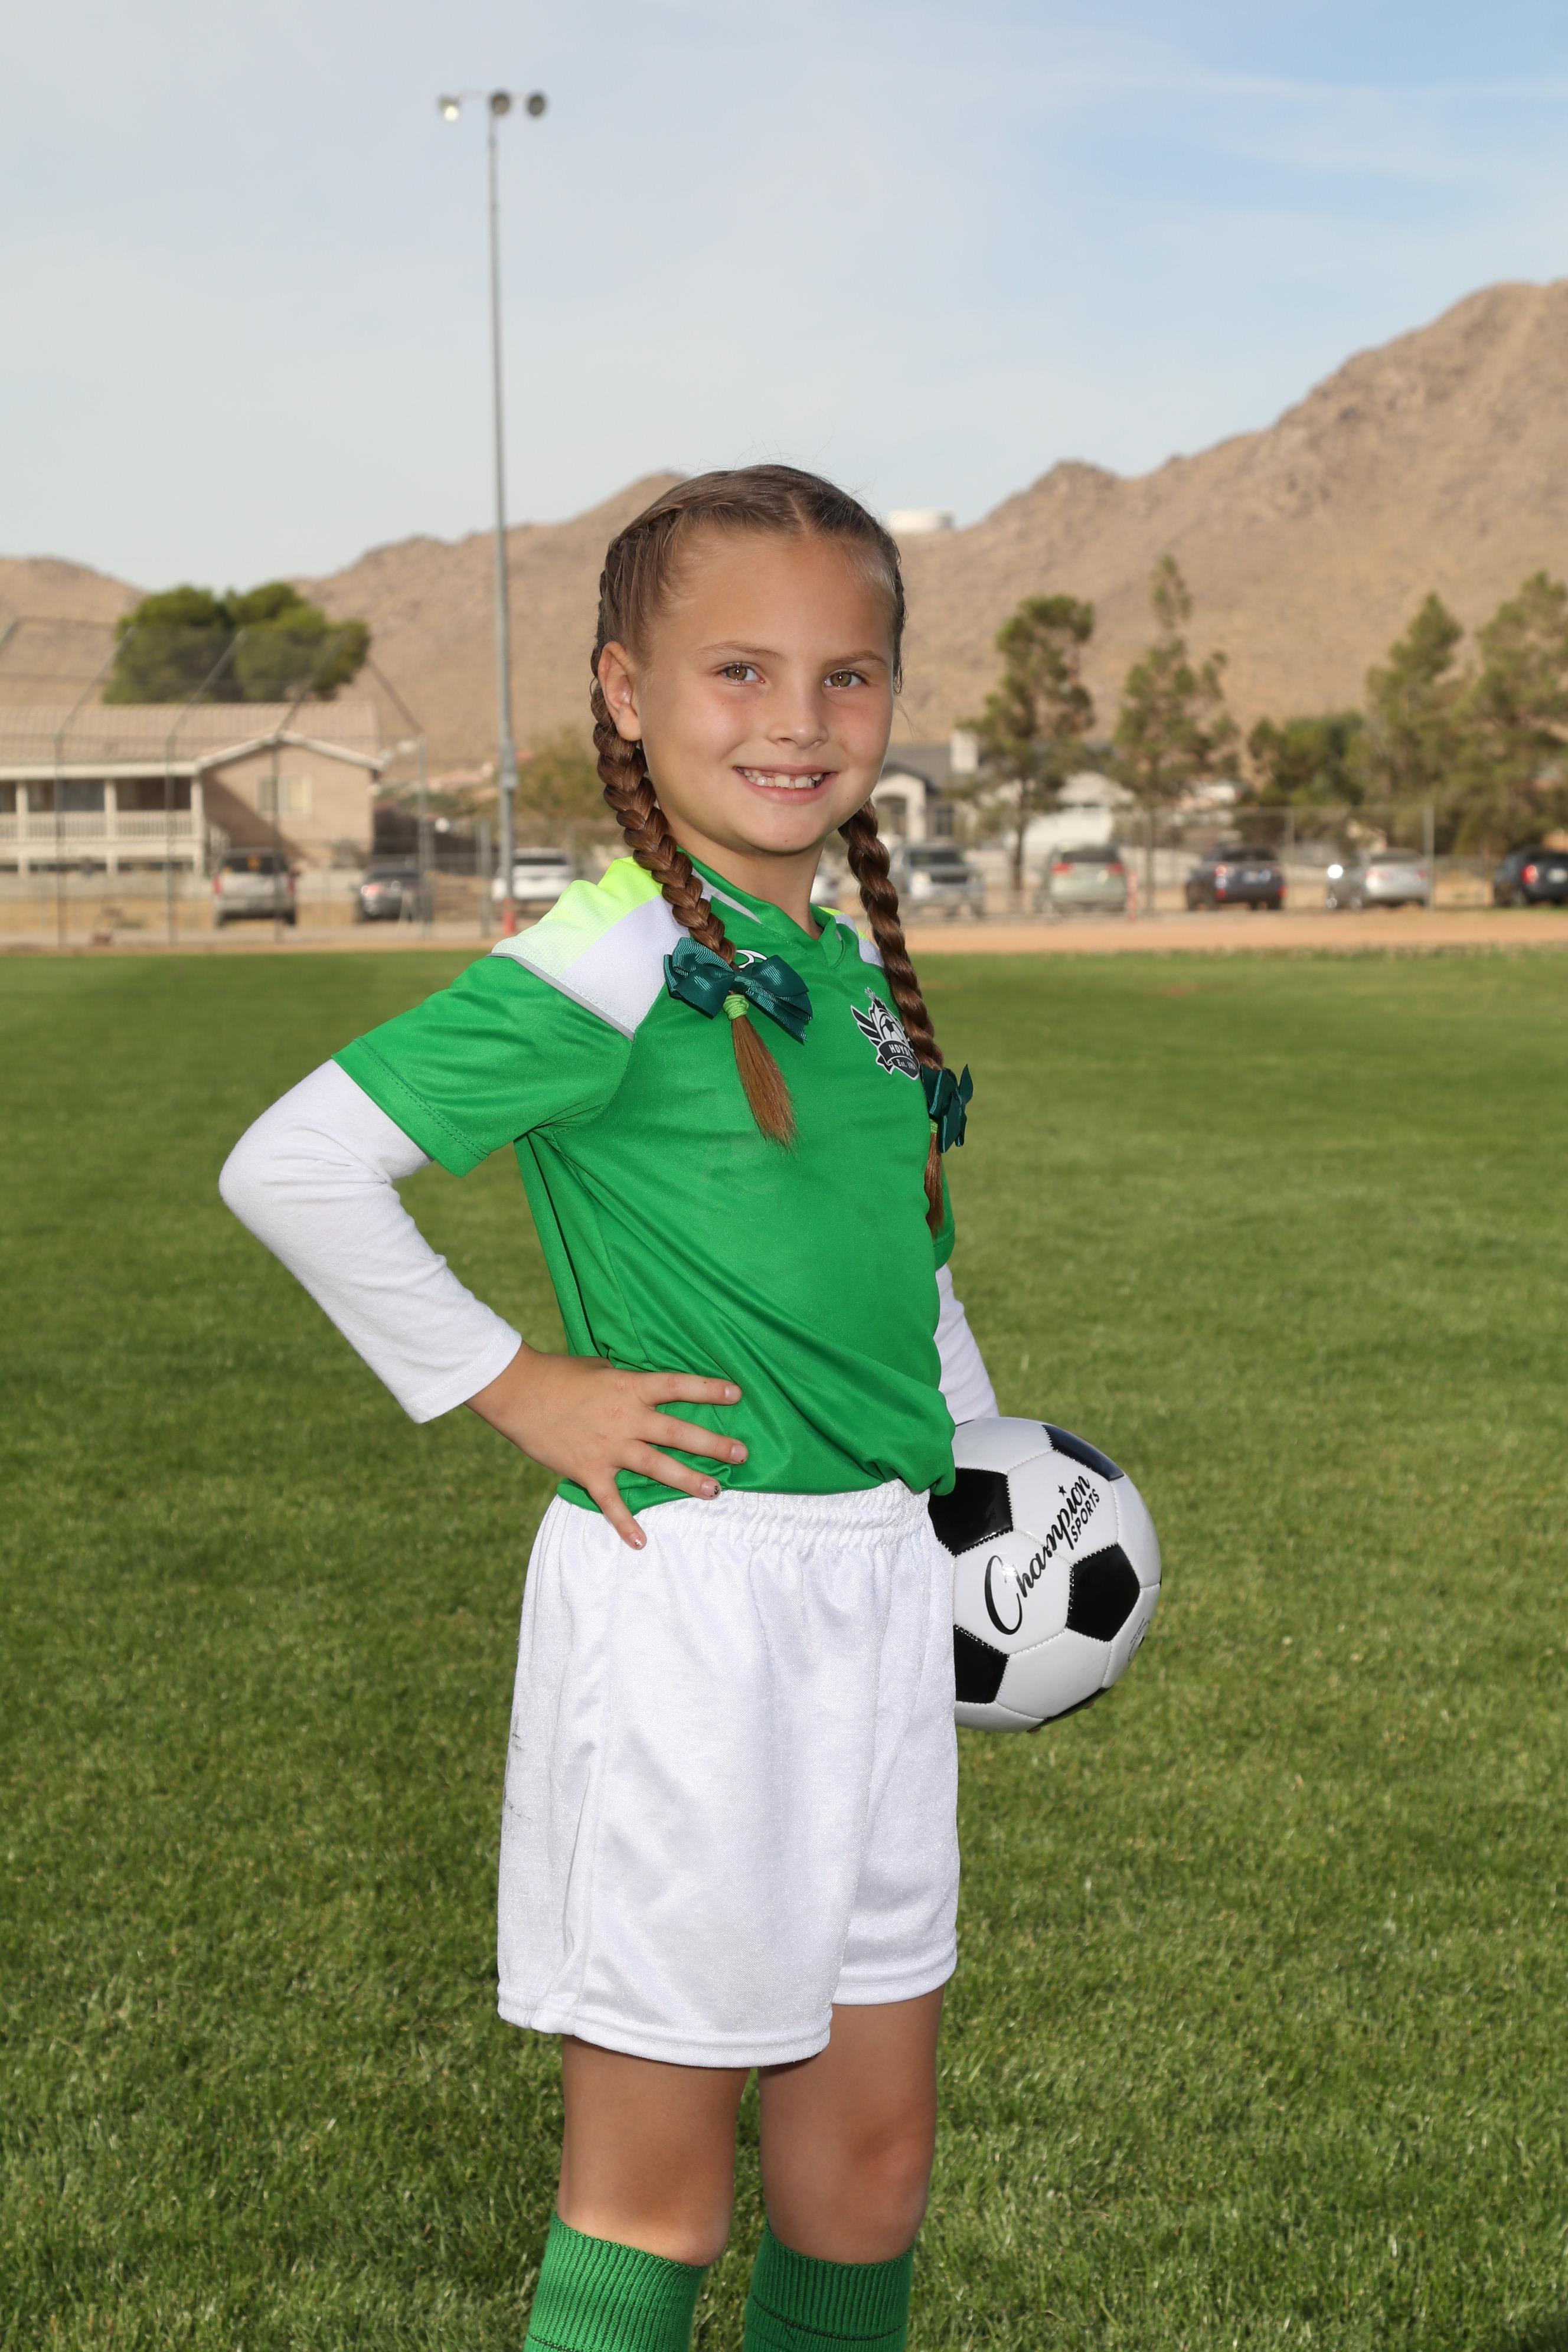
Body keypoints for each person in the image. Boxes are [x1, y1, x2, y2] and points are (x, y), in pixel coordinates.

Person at [221, 466, 997, 2352]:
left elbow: (903, 1278)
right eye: (740, 671)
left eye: (846, 675)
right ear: (628, 693)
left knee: (869, 2170)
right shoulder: (616, 946)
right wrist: (519, 1386)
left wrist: (984, 1493)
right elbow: (296, 1164)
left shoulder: (848, 976)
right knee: (653, 2202)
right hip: (694, 1609)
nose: (798, 720)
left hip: (875, 1593)